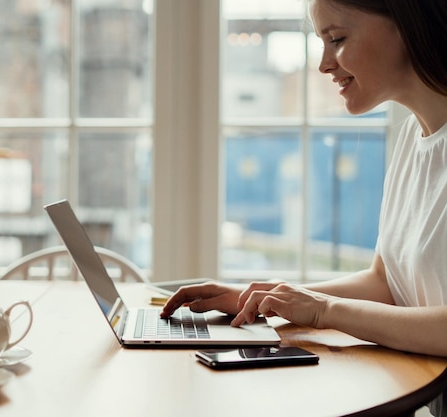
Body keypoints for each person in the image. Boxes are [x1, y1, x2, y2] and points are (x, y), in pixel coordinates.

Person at [161, 0, 447, 415]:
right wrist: (262, 298)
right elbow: (387, 283)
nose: (324, 65)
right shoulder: (411, 140)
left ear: (407, 22)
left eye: (338, 39)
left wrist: (324, 310)